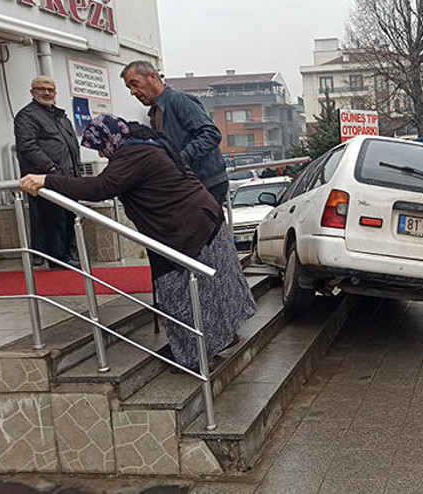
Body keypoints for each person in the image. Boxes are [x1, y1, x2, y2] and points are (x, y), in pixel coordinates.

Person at [19, 115, 257, 372]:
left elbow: (100, 187)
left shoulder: (132, 153)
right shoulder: (144, 143)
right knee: (212, 291)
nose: (101, 152)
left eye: (100, 145)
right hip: (203, 221)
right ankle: (220, 339)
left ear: (109, 137)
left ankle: (196, 357)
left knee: (182, 295)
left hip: (187, 231)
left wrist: (47, 180)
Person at [120, 60, 229, 205]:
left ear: (153, 77)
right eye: (129, 87)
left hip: (208, 183)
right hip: (190, 186)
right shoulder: (154, 113)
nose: (133, 92)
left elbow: (211, 134)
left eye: (135, 84)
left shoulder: (179, 100)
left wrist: (181, 158)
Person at [14, 76, 81, 270]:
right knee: (53, 219)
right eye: (41, 89)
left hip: (68, 176)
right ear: (32, 92)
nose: (46, 93)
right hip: (46, 178)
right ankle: (58, 261)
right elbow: (28, 147)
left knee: (69, 217)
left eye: (50, 90)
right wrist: (51, 169)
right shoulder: (27, 116)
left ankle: (68, 257)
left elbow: (71, 146)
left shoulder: (60, 116)